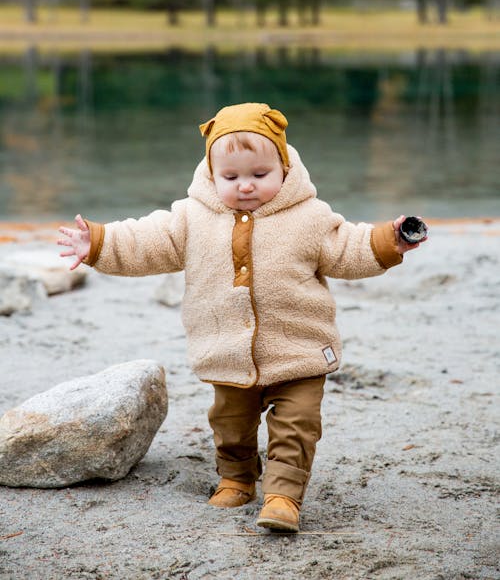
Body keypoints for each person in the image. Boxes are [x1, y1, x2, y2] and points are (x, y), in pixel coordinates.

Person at [58, 102, 426, 533]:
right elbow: (146, 240)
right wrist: (99, 242)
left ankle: (283, 496)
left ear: (284, 168)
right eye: (230, 177)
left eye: (259, 175)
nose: (245, 186)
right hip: (226, 351)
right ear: (211, 174)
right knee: (231, 427)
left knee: (297, 428)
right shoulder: (192, 218)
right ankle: (236, 478)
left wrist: (389, 241)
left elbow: (348, 247)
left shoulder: (308, 216)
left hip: (299, 353)